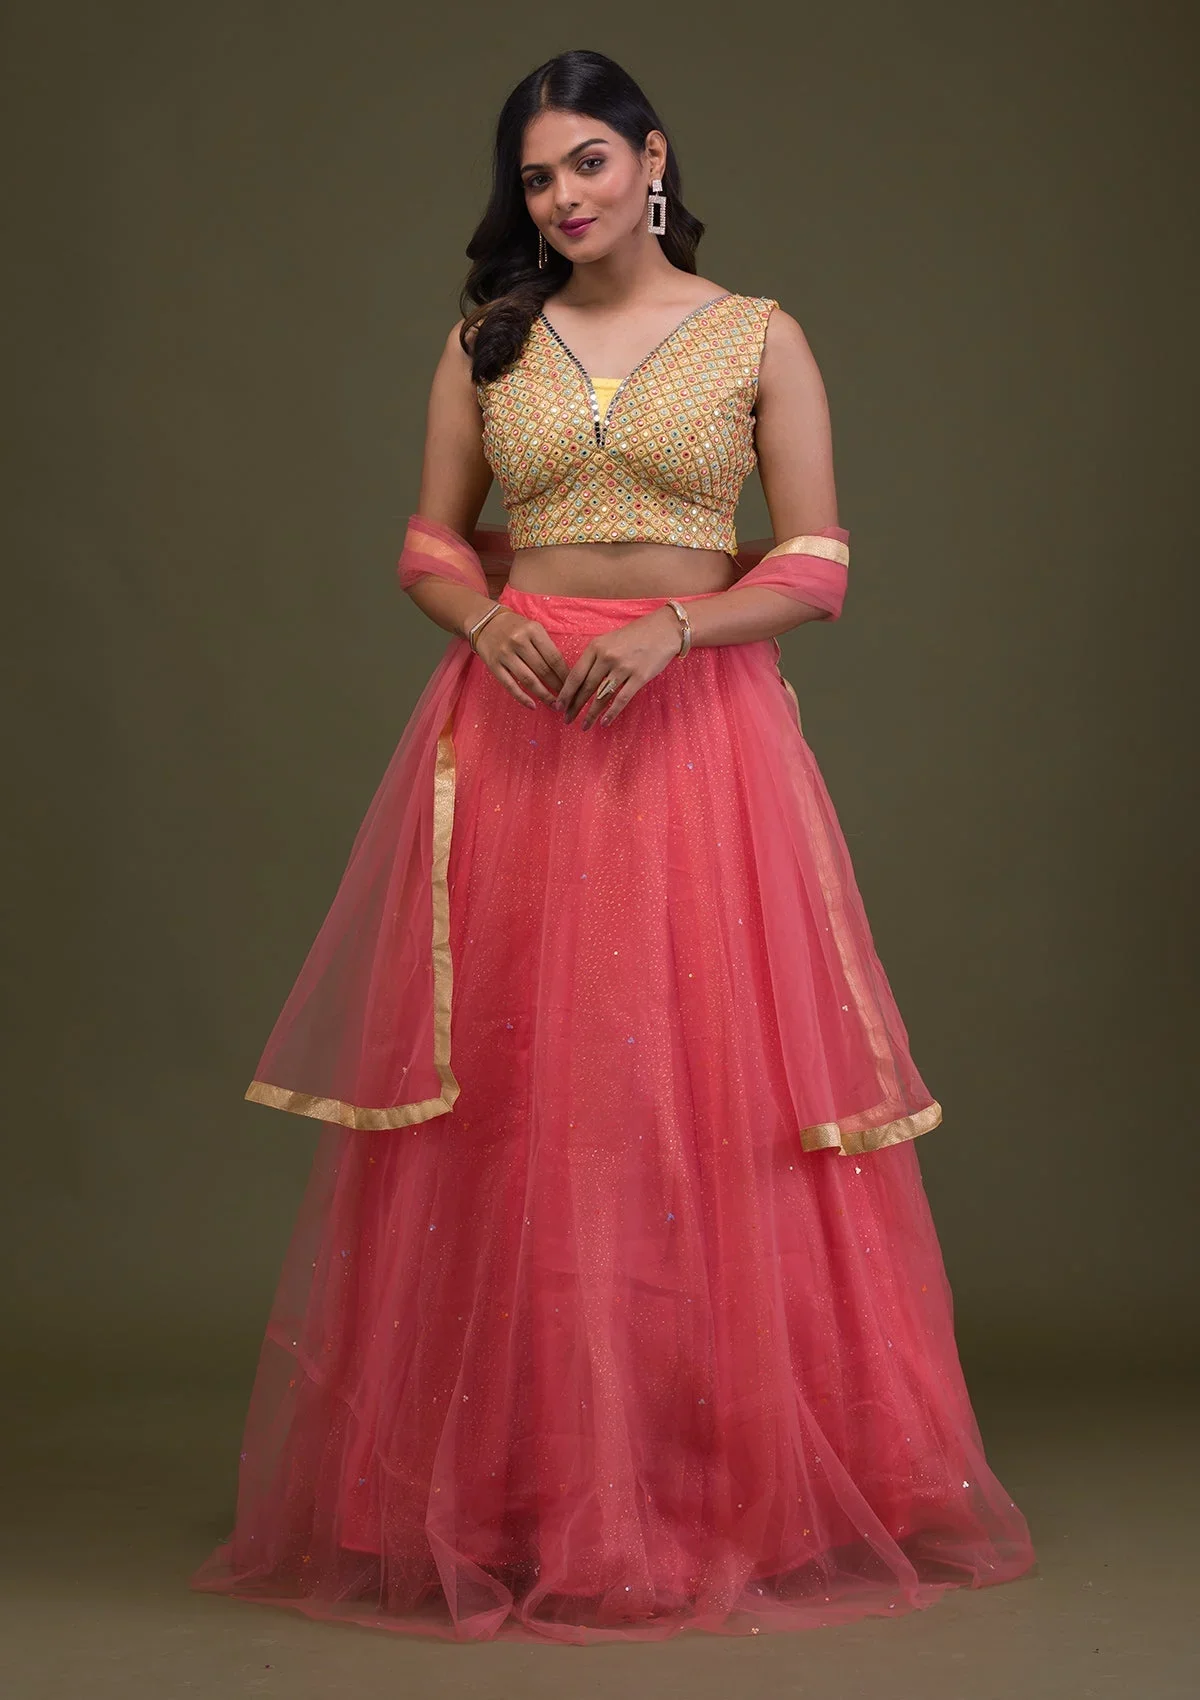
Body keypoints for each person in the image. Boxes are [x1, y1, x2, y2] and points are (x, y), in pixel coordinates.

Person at [191, 48, 1036, 1644]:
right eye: (535, 177)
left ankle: (710, 1487)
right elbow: (430, 543)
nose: (562, 196)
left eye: (587, 161)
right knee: (527, 1102)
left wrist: (679, 627)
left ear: (652, 158)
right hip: (519, 731)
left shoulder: (759, 335)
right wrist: (482, 617)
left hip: (696, 737)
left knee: (693, 1097)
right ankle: (510, 1489)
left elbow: (818, 562)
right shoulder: (486, 341)